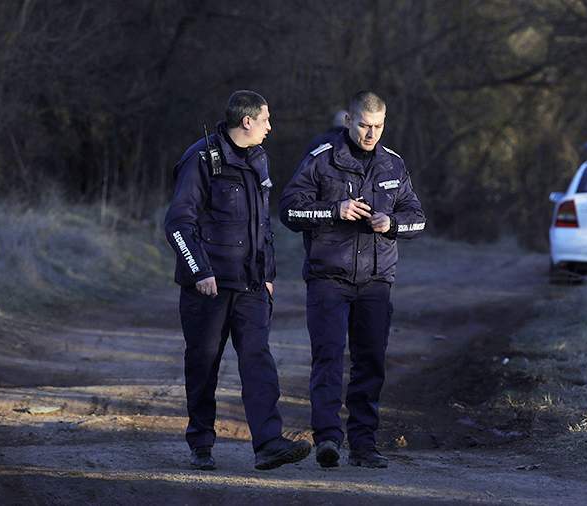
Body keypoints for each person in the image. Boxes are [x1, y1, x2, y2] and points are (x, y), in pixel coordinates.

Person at [164, 90, 311, 471]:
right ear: (247, 121)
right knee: (203, 364)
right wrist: (200, 271)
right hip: (208, 288)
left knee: (258, 360)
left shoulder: (259, 158)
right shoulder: (200, 159)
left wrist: (268, 275)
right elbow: (178, 223)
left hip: (250, 286)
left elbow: (263, 226)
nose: (270, 127)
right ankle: (201, 444)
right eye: (265, 119)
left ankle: (268, 444)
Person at [279, 91, 426, 469]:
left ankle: (364, 445)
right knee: (328, 359)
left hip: (377, 281)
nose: (370, 133)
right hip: (329, 277)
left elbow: (418, 219)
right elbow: (289, 210)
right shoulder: (320, 160)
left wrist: (390, 223)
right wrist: (334, 210)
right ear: (348, 120)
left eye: (377, 126)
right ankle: (327, 438)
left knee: (370, 363)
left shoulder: (394, 165)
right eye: (363, 124)